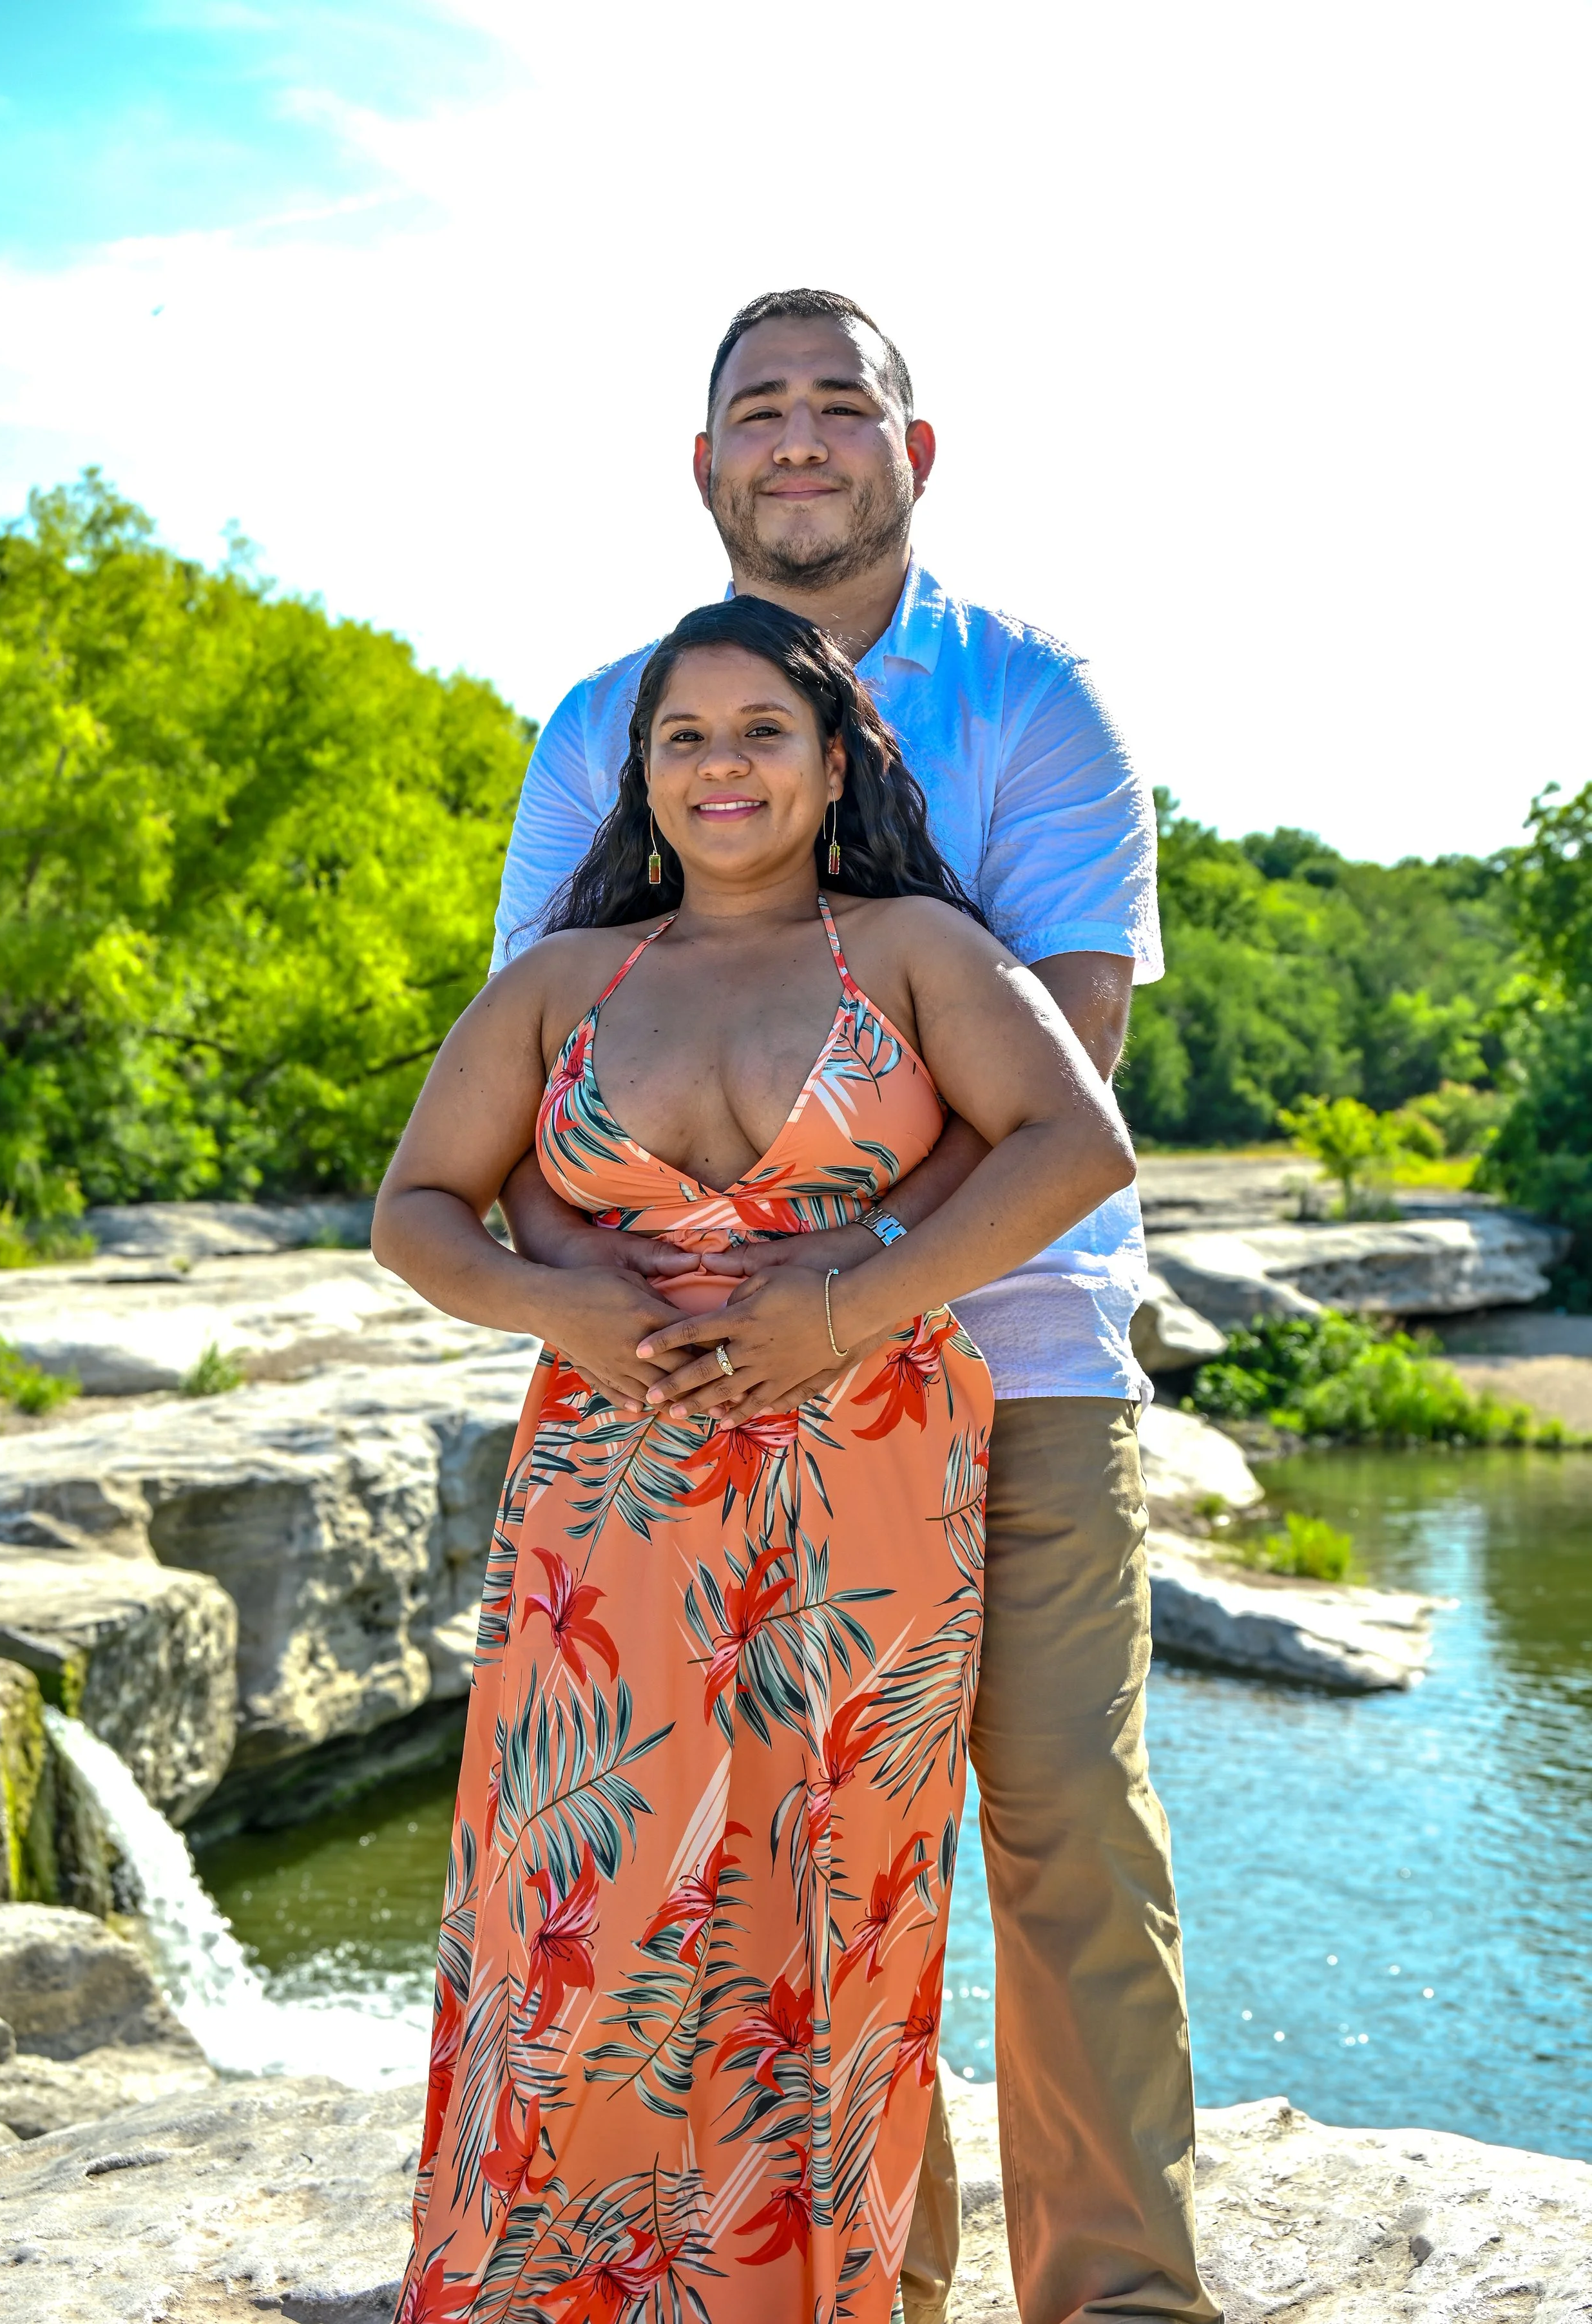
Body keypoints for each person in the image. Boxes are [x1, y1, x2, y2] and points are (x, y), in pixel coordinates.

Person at [488, 289, 1220, 2324]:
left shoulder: (1033, 699)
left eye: (840, 403)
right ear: (703, 464)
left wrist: (852, 1292)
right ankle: (849, 2286)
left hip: (1023, 1362)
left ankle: (1120, 2300)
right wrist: (636, 1305)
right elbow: (546, 1060)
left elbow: (1071, 1055)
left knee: (1062, 1817)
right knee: (782, 1853)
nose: (797, 436)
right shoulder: (605, 724)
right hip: (702, 1405)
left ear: (917, 450)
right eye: (757, 408)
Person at [374, 597, 1135, 2323]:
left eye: (761, 732)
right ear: (639, 778)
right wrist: (548, 1305)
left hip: (865, 1463)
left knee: (833, 1888)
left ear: (836, 758)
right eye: (683, 739)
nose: (722, 767)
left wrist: (857, 1299)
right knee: (574, 1884)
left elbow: (1075, 1143)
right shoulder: (568, 977)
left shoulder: (917, 947)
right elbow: (413, 1209)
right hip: (608, 1486)